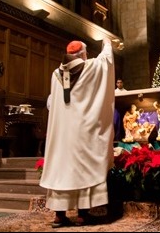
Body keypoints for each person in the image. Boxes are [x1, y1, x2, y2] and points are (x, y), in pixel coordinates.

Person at [39, 37, 115, 227]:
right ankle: (82, 215)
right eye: (86, 53)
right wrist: (107, 42)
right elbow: (106, 59)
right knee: (84, 169)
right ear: (82, 54)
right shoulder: (90, 67)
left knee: (60, 169)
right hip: (82, 132)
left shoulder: (56, 73)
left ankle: (59, 215)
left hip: (62, 134)